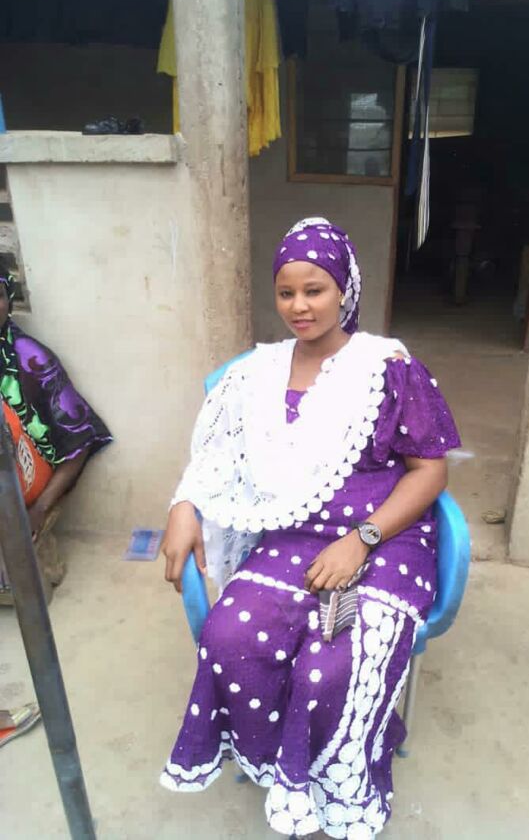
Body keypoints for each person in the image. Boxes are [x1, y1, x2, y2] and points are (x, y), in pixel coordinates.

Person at [160, 217, 461, 838]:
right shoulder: (257, 373)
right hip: (291, 532)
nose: (299, 306)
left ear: (344, 289)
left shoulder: (387, 366)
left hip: (384, 536)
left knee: (330, 666)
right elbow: (215, 457)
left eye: (314, 290)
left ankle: (336, 784)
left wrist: (362, 541)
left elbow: (430, 472)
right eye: (286, 292)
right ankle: (281, 766)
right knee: (230, 638)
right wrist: (184, 505)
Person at [0, 266, 112, 601]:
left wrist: (40, 509)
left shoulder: (31, 359)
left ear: (9, 299)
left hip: (24, 484)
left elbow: (79, 440)